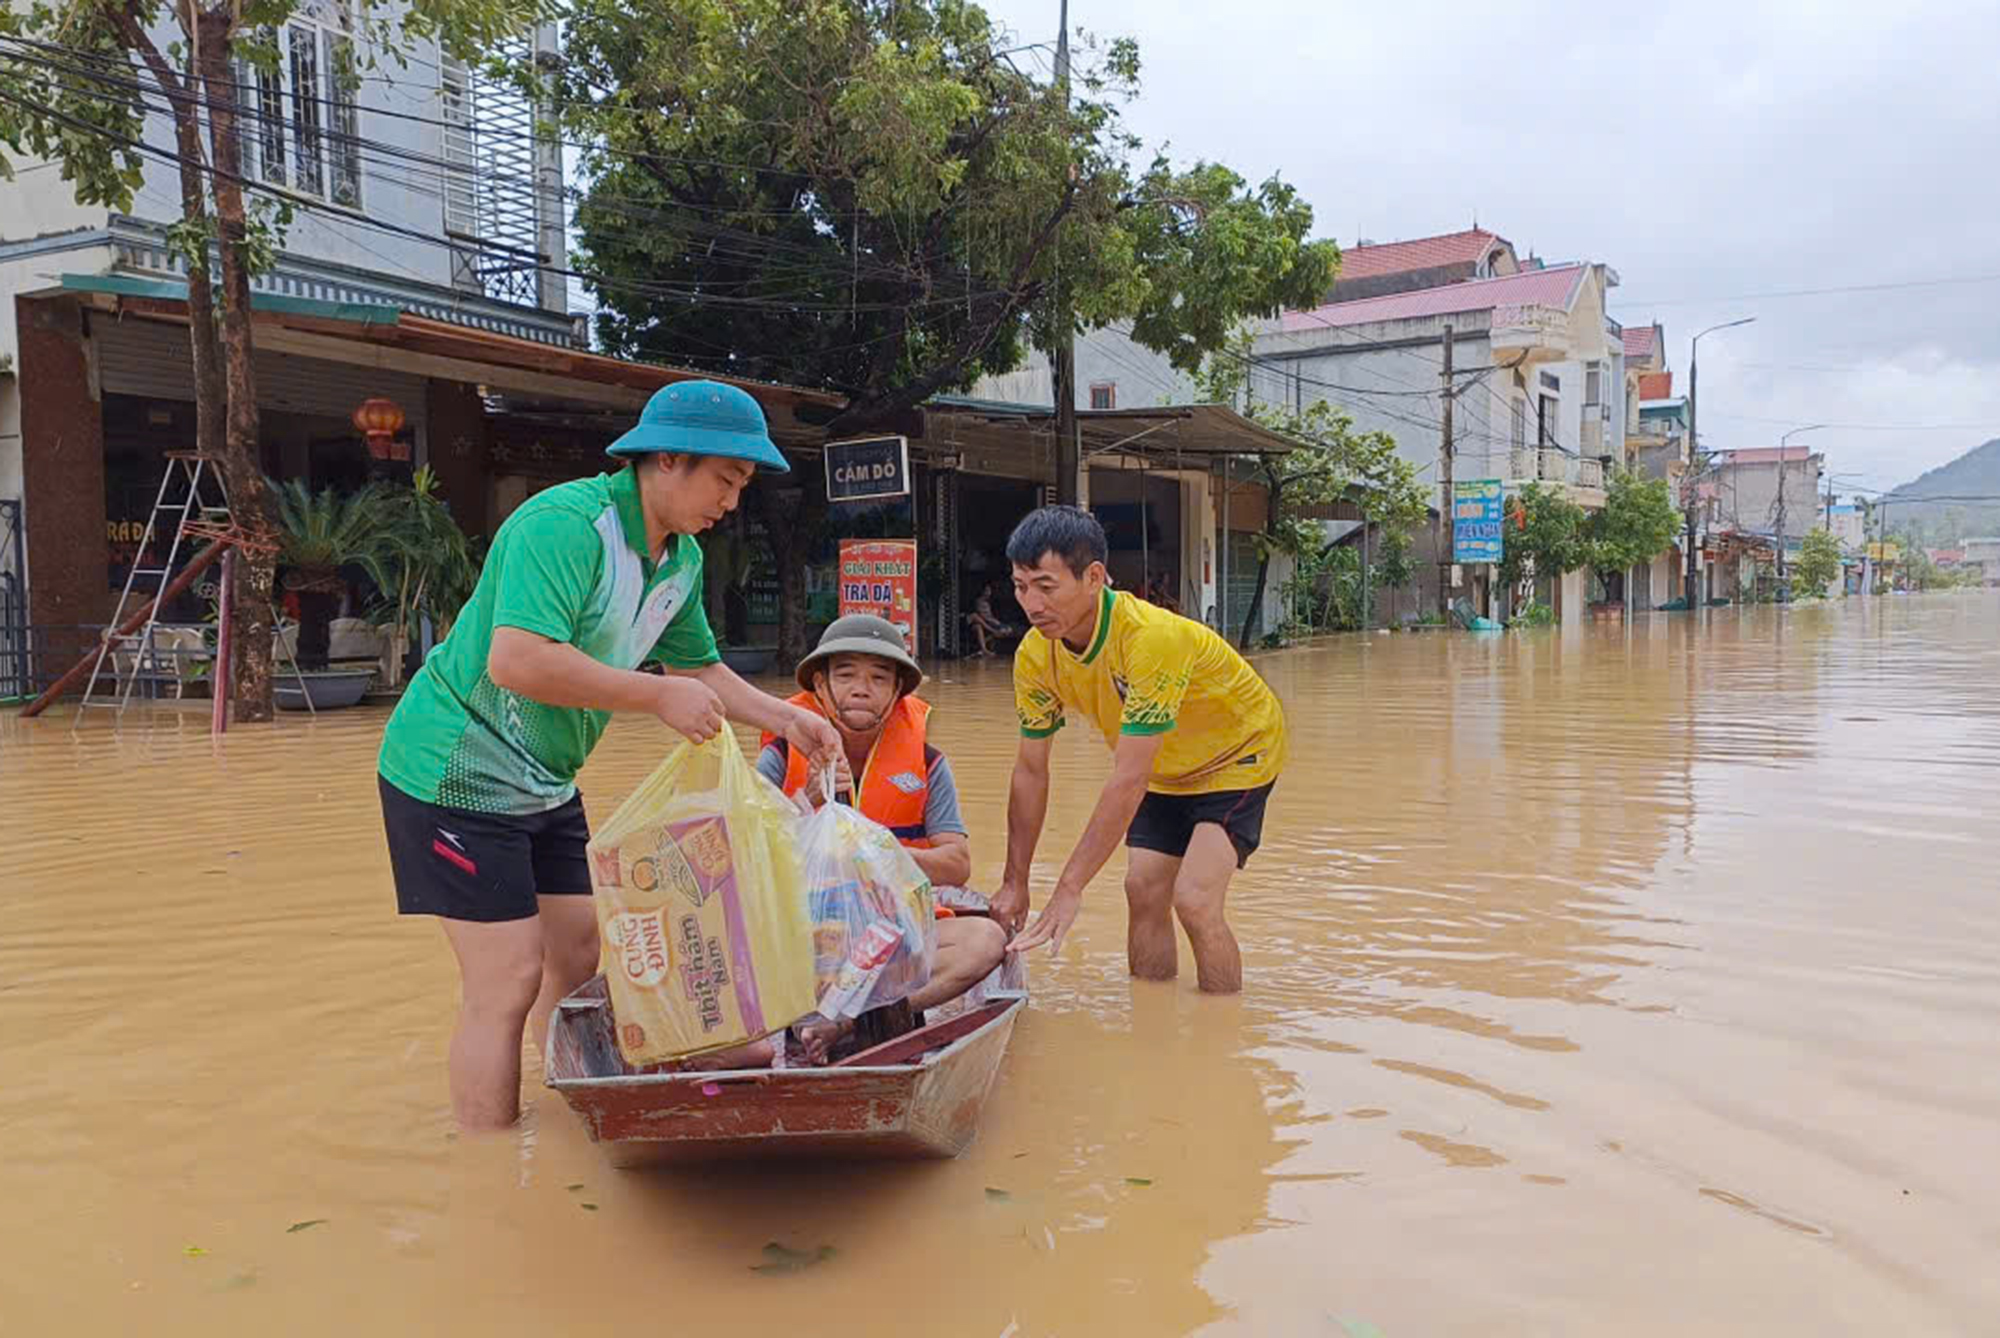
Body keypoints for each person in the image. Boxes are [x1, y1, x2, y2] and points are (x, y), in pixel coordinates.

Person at [375, 380, 841, 1131]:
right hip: (450, 773)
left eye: (742, 484)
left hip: (544, 779)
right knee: (509, 978)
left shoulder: (680, 561)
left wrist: (786, 717)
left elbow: (700, 670)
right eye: (726, 478)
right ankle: (492, 1163)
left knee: (580, 953)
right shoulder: (564, 527)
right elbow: (517, 660)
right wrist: (653, 697)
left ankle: (564, 1129)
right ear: (666, 458)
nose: (731, 501)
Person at [995, 506, 1286, 994]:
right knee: (1143, 890)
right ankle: (1152, 1020)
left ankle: (1221, 1039)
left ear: (1093, 577)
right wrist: (1015, 880)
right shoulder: (1034, 656)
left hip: (1238, 754)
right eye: (1021, 586)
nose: (1031, 603)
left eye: (1046, 587)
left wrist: (1070, 886)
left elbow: (1128, 777)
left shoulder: (1151, 638)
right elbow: (1030, 771)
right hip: (1164, 768)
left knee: (1193, 899)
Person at [757, 614, 1008, 1049]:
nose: (861, 687)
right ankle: (800, 1015)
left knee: (986, 940)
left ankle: (852, 1020)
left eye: (878, 677)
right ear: (820, 686)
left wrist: (874, 852)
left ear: (896, 693)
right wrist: (806, 804)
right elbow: (743, 856)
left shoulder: (928, 763)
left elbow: (957, 865)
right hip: (800, 942)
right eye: (846, 674)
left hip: (891, 945)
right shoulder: (781, 754)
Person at [964, 581, 1014, 656]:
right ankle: (984, 649)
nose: (989, 592)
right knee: (978, 626)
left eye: (989, 590)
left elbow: (991, 617)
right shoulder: (978, 602)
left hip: (992, 623)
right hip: (984, 623)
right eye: (987, 590)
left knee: (1008, 630)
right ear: (983, 592)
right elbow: (983, 616)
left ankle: (980, 647)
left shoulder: (990, 602)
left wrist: (998, 623)